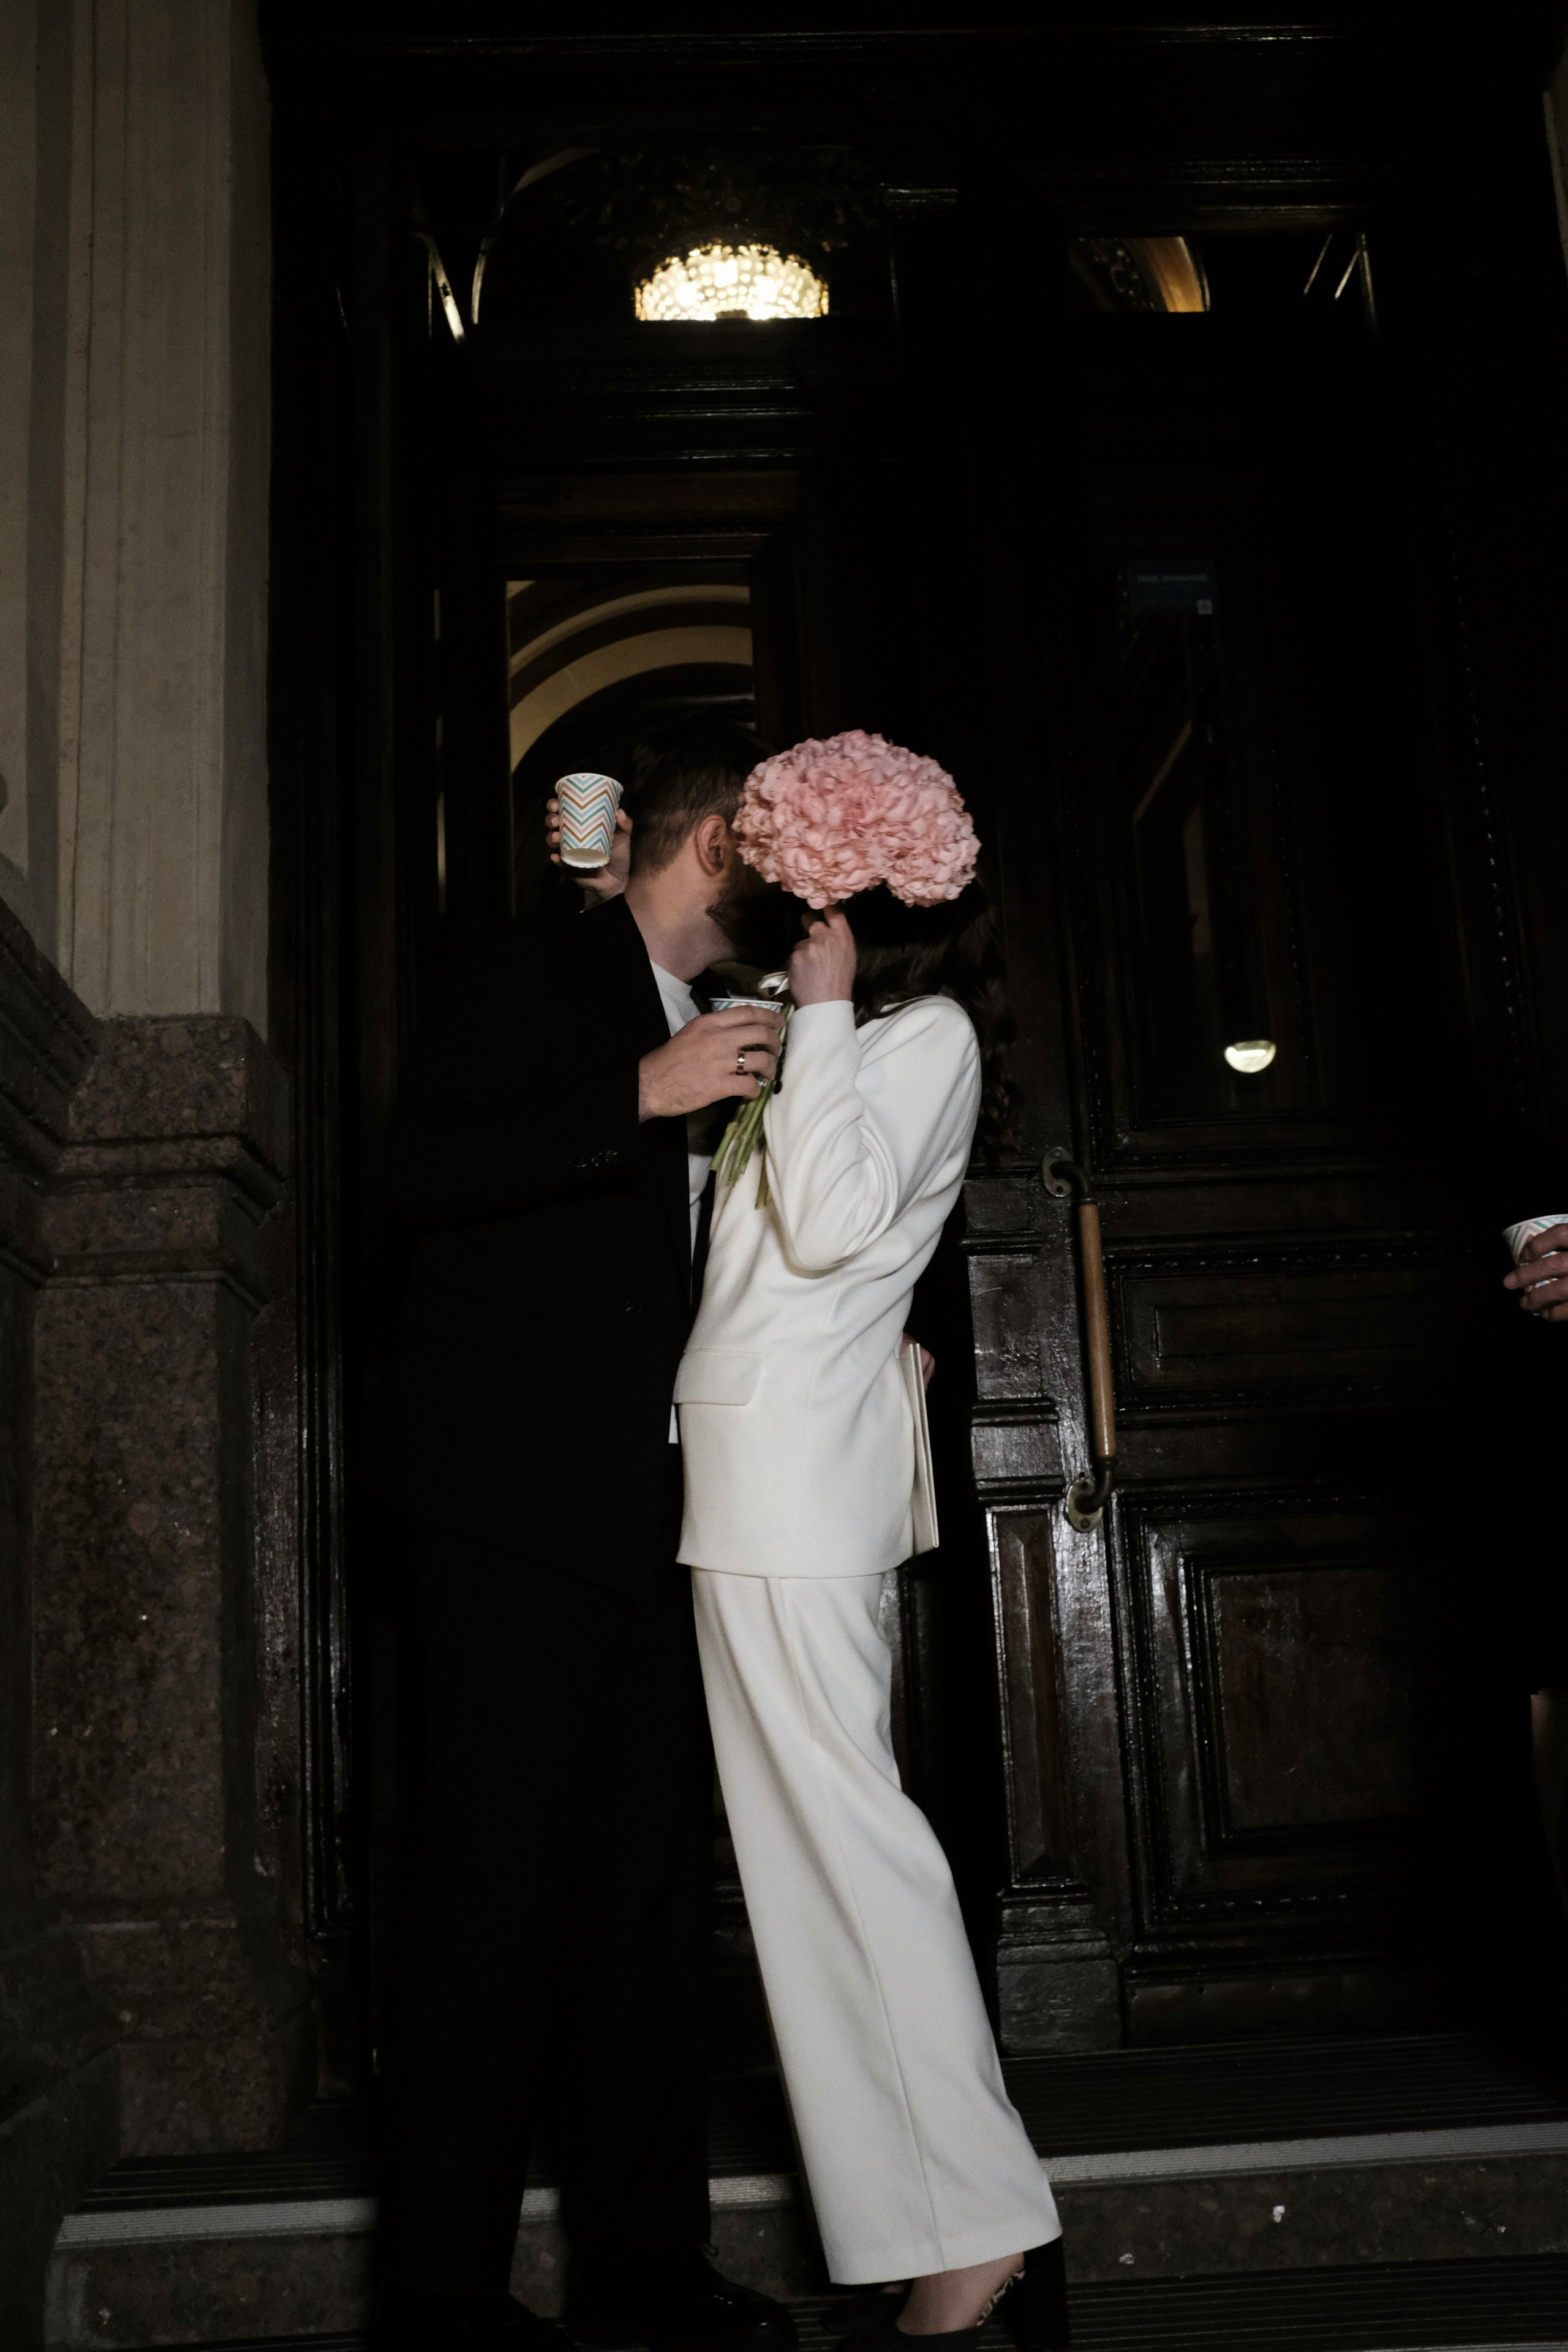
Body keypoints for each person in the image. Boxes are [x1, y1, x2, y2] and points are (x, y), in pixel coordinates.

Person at [367, 722, 797, 2352]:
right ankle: (440, 2295)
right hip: (510, 1504)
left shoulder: (752, 1022)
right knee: (489, 1898)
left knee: (642, 1904)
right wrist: (639, 1092)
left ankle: (644, 2268)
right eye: (778, 853)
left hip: (664, 1515)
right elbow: (417, 1170)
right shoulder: (528, 969)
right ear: (716, 845)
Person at [672, 752, 1070, 2352]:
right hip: (756, 1475)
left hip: (793, 1492)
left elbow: (837, 1226)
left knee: (853, 1850)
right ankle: (935, 2228)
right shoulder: (841, 1039)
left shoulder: (923, 1034)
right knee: (808, 1871)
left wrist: (824, 1015)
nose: (789, 908)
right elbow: (765, 1262)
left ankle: (976, 2224)